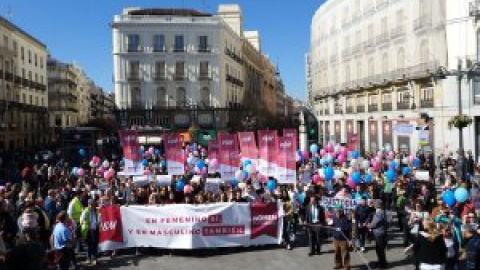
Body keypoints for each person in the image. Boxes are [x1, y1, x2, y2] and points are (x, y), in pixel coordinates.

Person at [79, 199, 100, 265]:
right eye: (91, 204)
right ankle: (88, 259)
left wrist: (98, 222)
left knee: (95, 245)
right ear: (88, 204)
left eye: (93, 205)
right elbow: (81, 220)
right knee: (89, 246)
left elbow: (100, 219)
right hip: (88, 231)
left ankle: (94, 259)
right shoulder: (85, 211)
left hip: (95, 230)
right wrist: (86, 225)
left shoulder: (97, 211)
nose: (92, 206)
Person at [368, 201, 388, 269]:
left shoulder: (379, 213)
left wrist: (368, 225)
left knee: (380, 249)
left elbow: (374, 223)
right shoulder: (383, 211)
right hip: (382, 232)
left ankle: (382, 264)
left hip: (379, 233)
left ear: (376, 205)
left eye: (374, 204)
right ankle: (381, 262)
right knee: (380, 249)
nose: (373, 205)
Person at [332, 204, 351, 270]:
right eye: (336, 211)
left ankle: (347, 266)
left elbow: (348, 227)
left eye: (339, 211)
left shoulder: (346, 218)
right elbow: (332, 226)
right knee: (336, 252)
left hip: (343, 239)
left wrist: (341, 228)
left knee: (345, 253)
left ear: (342, 211)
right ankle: (338, 264)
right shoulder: (334, 217)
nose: (338, 212)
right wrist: (331, 225)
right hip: (336, 239)